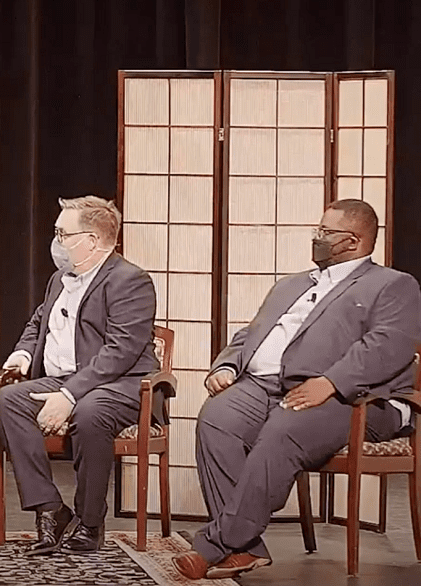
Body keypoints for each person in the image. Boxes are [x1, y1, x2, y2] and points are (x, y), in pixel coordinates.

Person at [173, 199, 421, 580]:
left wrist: (331, 382)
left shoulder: (392, 285)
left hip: (354, 398)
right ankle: (246, 549)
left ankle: (214, 544)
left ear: (353, 241)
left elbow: (389, 346)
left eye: (325, 232)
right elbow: (252, 333)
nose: (315, 238)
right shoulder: (292, 284)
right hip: (267, 386)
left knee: (283, 429)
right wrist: (227, 364)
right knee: (216, 420)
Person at [0, 195, 159, 555]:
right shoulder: (60, 278)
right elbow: (38, 323)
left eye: (63, 233)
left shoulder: (130, 280)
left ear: (92, 241)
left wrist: (69, 396)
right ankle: (50, 508)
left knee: (91, 411)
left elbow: (121, 352)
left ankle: (90, 522)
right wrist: (22, 354)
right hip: (67, 379)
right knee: (9, 399)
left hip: (123, 385)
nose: (57, 242)